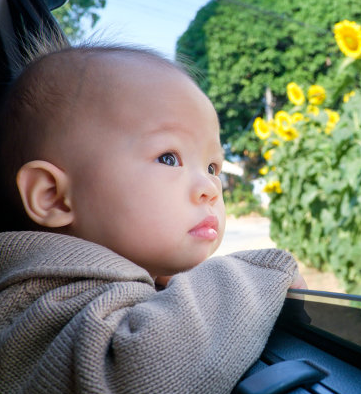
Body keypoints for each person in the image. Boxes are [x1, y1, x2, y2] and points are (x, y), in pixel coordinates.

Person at [0, 39, 305, 393]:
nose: (210, 187)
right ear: (52, 197)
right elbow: (140, 370)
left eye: (212, 166)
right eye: (168, 158)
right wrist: (257, 275)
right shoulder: (38, 301)